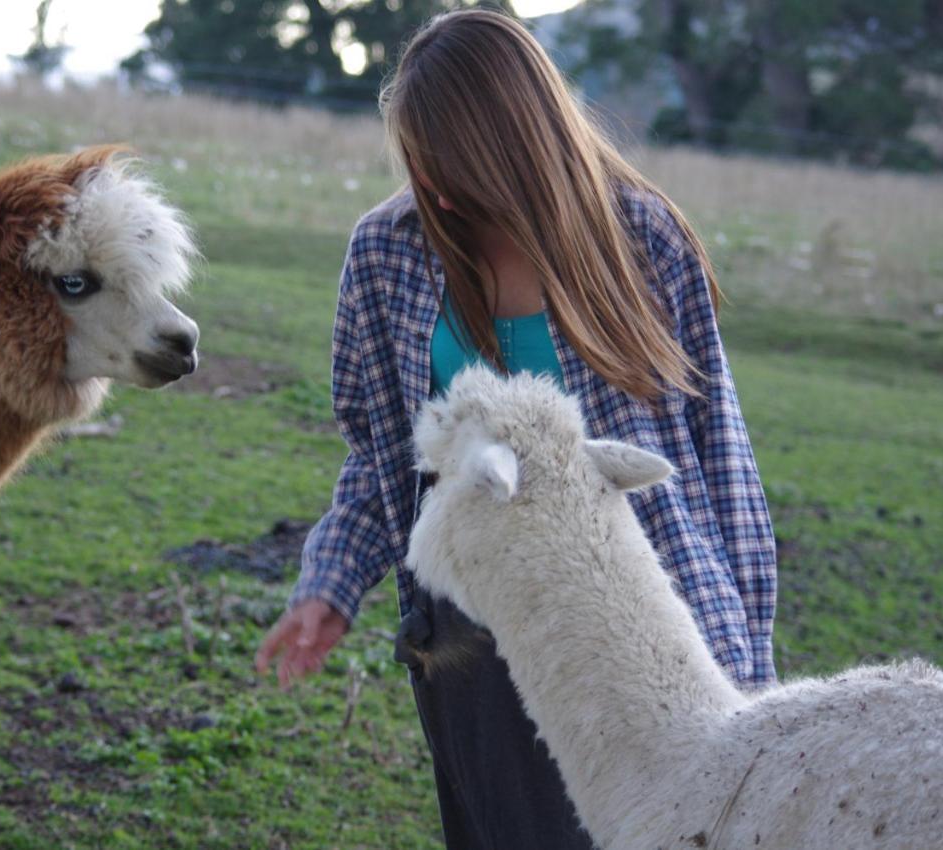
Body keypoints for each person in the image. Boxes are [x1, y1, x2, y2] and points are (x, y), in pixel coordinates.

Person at [255, 9, 777, 849]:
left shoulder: (644, 239)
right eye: (426, 170)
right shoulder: (387, 251)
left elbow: (725, 462)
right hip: (470, 634)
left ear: (518, 146)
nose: (442, 193)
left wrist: (750, 670)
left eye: (458, 168)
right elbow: (380, 456)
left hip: (635, 616)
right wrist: (330, 581)